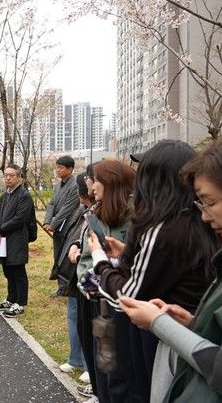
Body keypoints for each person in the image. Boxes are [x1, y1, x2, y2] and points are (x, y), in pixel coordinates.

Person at [87, 140, 218, 402]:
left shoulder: (165, 228)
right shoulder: (195, 218)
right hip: (192, 334)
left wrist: (99, 260)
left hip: (161, 335)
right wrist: (128, 253)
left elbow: (127, 296)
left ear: (157, 178)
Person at [119, 136, 222, 402]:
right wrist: (197, 324)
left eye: (209, 202)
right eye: (200, 203)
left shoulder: (170, 230)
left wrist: (160, 323)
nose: (205, 215)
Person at [69, 160, 135, 402]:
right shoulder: (97, 210)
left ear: (111, 183)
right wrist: (77, 246)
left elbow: (118, 259)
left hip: (111, 297)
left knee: (112, 362)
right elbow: (89, 247)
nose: (91, 185)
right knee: (96, 354)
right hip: (91, 292)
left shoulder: (131, 217)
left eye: (95, 180)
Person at [55, 172, 93, 383]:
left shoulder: (99, 212)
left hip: (88, 274)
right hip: (73, 273)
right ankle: (75, 358)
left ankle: (88, 364)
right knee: (73, 316)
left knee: (87, 321)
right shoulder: (82, 211)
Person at [0, 164, 36, 317]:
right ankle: (11, 299)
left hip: (17, 237)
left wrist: (0, 229)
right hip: (3, 237)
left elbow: (20, 218)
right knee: (7, 269)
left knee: (18, 270)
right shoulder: (5, 195)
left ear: (19, 177)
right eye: (6, 175)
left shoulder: (24, 195)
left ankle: (20, 303)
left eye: (12, 175)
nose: (8, 178)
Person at [43, 155, 80, 294]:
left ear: (70, 169)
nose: (57, 170)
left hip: (69, 226)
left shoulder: (75, 185)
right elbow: (52, 204)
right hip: (58, 227)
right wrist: (47, 221)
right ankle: (61, 286)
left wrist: (52, 224)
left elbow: (67, 209)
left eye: (60, 167)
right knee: (57, 255)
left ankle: (67, 287)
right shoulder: (58, 185)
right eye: (56, 167)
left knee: (66, 256)